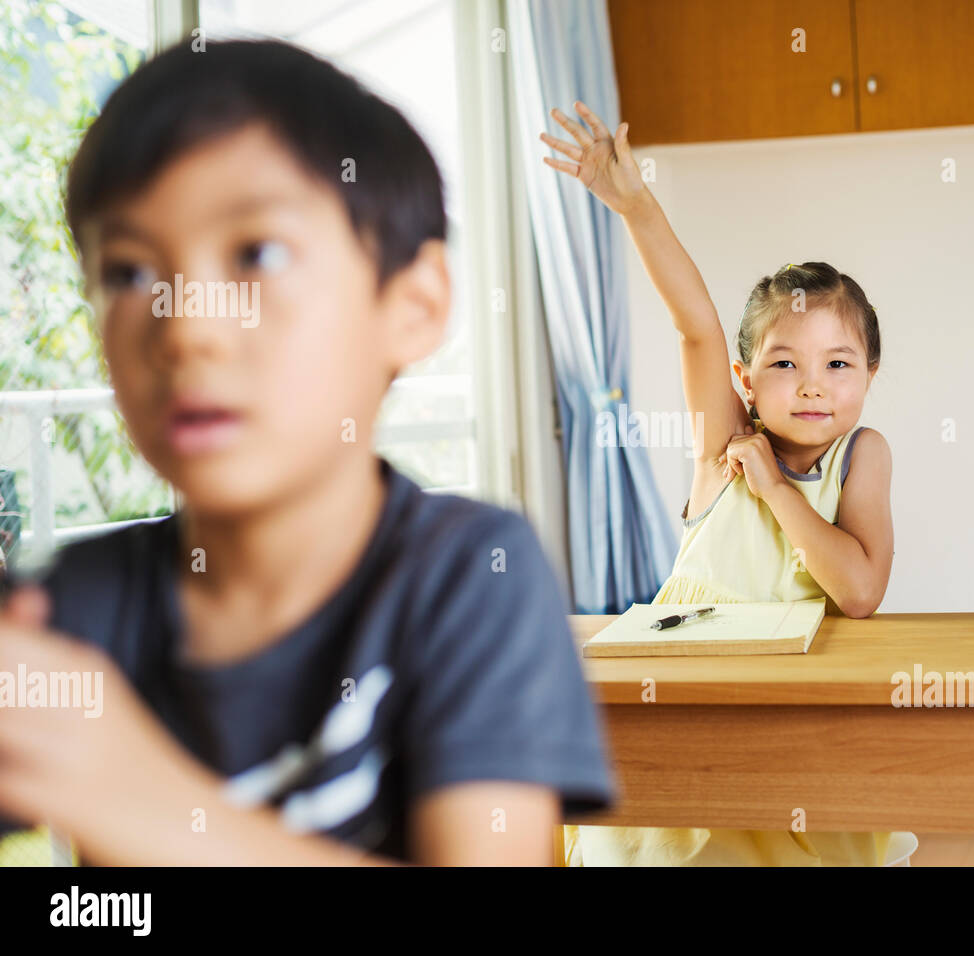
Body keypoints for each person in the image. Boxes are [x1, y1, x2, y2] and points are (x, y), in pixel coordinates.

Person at [0, 39, 612, 866]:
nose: (186, 328)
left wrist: (152, 804)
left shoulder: (471, 576)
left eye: (258, 255)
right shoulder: (71, 607)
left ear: (414, 305)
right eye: (128, 272)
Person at [542, 102, 910, 866]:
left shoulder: (862, 456)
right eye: (785, 362)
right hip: (682, 700)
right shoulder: (724, 447)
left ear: (870, 374)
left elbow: (859, 591)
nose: (812, 384)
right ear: (745, 378)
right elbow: (696, 326)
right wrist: (636, 205)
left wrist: (776, 490)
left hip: (792, 718)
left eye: (838, 363)